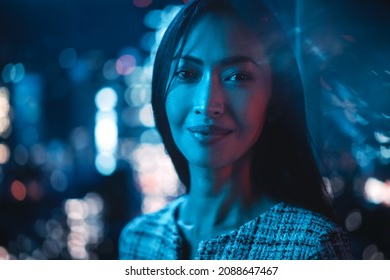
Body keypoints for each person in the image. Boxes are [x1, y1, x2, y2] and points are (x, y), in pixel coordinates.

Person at [119, 0, 353, 260]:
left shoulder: (310, 246)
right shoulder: (139, 239)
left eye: (238, 77)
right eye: (186, 73)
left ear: (275, 98)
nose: (206, 104)